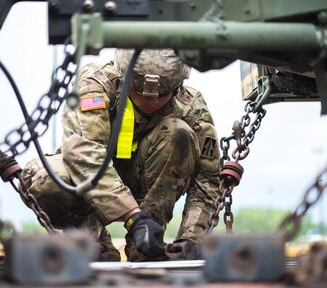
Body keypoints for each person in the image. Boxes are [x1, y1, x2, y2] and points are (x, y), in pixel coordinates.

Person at [22, 49, 221, 262]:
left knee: (179, 133)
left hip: (146, 181)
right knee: (47, 179)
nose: (150, 102)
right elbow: (86, 156)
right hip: (91, 179)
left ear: (177, 87)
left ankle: (145, 246)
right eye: (140, 93)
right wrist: (133, 217)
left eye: (161, 95)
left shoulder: (191, 107)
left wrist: (190, 240)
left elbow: (207, 181)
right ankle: (91, 244)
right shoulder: (96, 84)